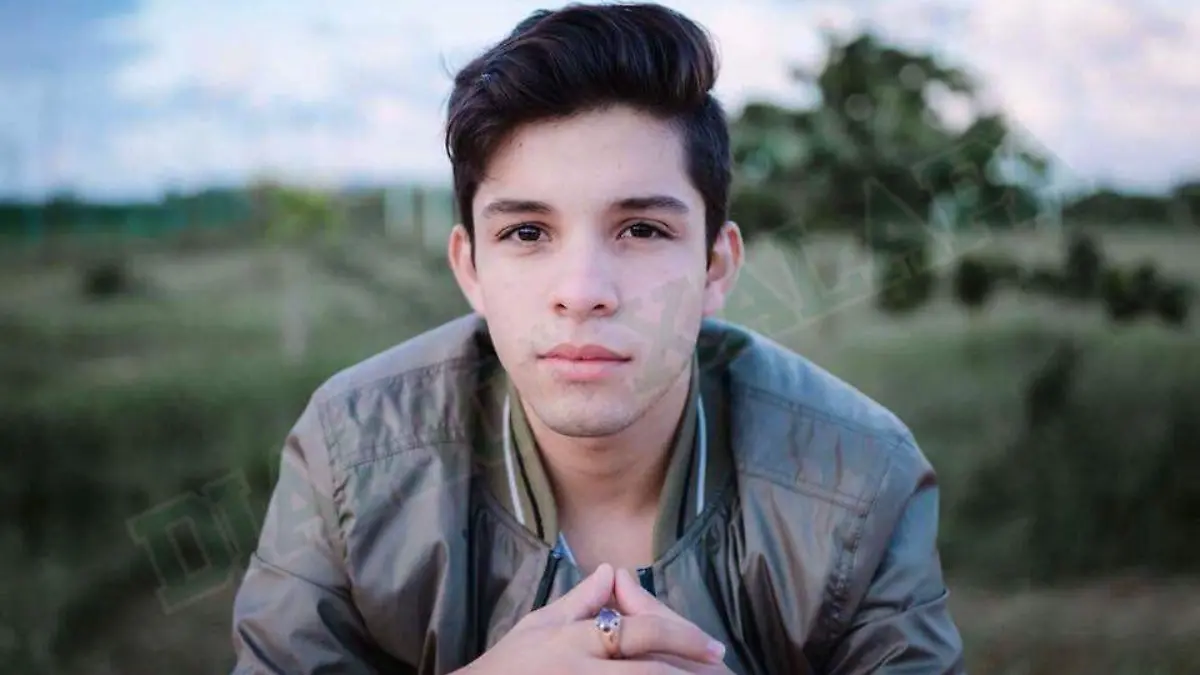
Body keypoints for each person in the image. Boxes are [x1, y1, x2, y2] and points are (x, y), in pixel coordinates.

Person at [229, 3, 965, 673]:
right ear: (471, 268)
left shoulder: (859, 479)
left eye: (641, 229)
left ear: (715, 266)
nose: (582, 291)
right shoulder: (351, 455)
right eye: (527, 232)